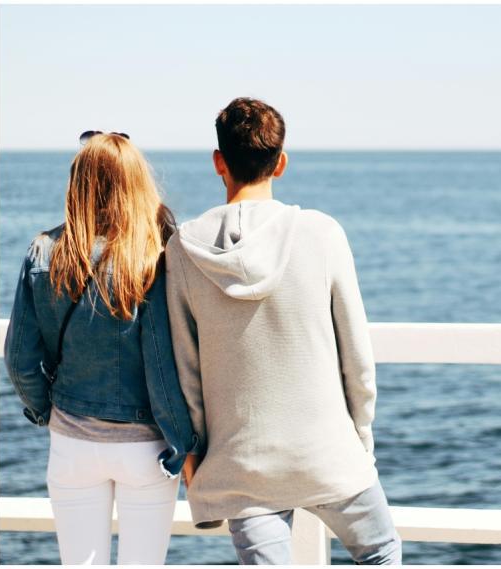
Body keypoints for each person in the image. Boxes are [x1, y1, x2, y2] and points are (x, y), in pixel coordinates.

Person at [165, 97, 402, 564]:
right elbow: (357, 358)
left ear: (219, 162)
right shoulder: (322, 233)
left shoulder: (182, 250)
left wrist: (197, 453)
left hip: (241, 464)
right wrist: (360, 444)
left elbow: (185, 371)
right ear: (282, 162)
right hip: (328, 452)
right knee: (382, 553)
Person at [4, 132, 198, 565]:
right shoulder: (155, 254)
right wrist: (183, 438)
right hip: (145, 446)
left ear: (78, 184)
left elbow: (18, 359)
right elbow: (167, 361)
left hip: (72, 440)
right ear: (134, 183)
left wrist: (45, 410)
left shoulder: (44, 250)